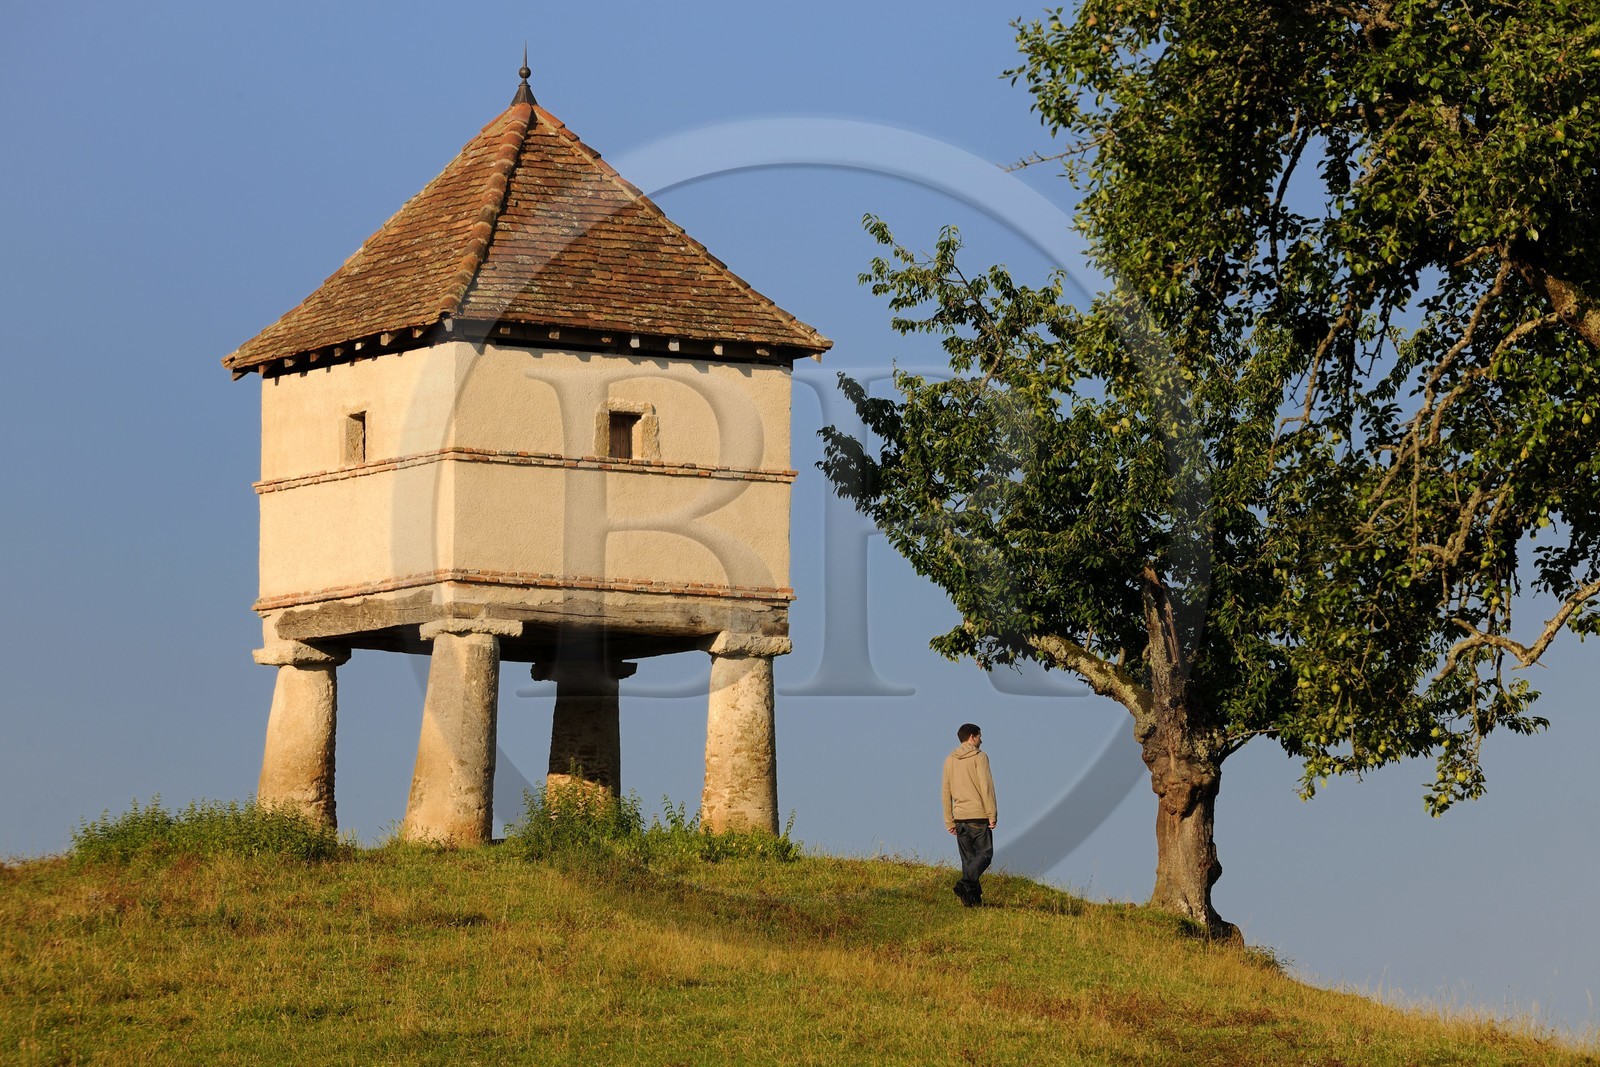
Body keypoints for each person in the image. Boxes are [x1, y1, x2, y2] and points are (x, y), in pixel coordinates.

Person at [941, 723, 997, 907]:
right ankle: (964, 884)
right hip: (978, 816)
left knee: (969, 860)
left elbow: (945, 791)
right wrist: (992, 814)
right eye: (980, 736)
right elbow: (986, 786)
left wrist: (949, 819)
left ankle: (972, 902)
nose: (982, 740)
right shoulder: (980, 757)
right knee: (985, 855)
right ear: (972, 737)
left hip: (959, 818)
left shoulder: (949, 759)